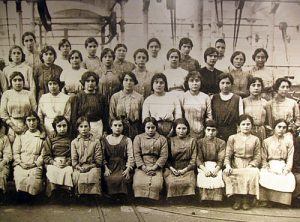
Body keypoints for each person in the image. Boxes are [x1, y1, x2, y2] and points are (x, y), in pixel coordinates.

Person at [223, 114, 261, 210]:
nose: (246, 126)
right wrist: (227, 166)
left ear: (252, 125)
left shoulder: (255, 139)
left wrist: (251, 165)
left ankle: (246, 200)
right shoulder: (232, 138)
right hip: (236, 163)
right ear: (239, 126)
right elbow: (228, 155)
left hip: (249, 164)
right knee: (228, 173)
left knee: (254, 173)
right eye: (243, 124)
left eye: (248, 124)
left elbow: (257, 156)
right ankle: (237, 199)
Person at [259, 119, 295, 206]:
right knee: (265, 175)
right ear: (274, 128)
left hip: (282, 164)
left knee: (288, 177)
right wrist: (266, 167)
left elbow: (290, 157)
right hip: (270, 164)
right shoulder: (266, 141)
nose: (281, 129)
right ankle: (267, 199)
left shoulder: (289, 141)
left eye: (284, 127)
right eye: (279, 127)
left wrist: (287, 169)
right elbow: (263, 157)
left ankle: (281, 202)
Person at [133, 117, 168, 200]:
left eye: (153, 127)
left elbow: (164, 156)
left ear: (156, 127)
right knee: (138, 184)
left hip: (156, 166)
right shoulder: (138, 138)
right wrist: (144, 168)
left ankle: (153, 200)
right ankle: (141, 199)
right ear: (144, 128)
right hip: (142, 166)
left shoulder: (162, 139)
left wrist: (154, 167)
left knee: (157, 185)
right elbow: (136, 154)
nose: (150, 130)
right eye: (148, 128)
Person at [12, 111, 44, 196]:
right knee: (20, 175)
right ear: (26, 122)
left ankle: (32, 197)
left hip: (35, 164)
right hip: (22, 163)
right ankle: (22, 196)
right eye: (29, 120)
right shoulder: (21, 136)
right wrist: (20, 163)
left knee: (33, 179)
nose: (32, 123)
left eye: (34, 120)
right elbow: (16, 152)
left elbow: (43, 154)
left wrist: (35, 164)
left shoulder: (42, 137)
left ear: (38, 121)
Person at [164, 118, 196, 198]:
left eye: (184, 128)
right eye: (179, 128)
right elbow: (166, 159)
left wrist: (184, 170)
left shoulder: (192, 141)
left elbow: (193, 159)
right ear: (175, 129)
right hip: (173, 168)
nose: (181, 131)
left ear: (187, 129)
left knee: (189, 182)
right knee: (171, 183)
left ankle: (186, 199)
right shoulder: (170, 140)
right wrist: (172, 168)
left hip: (187, 168)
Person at [1, 72, 37, 143]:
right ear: (11, 82)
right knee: (13, 143)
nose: (18, 83)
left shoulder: (29, 94)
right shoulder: (6, 94)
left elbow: (34, 110)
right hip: (12, 123)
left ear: (23, 82)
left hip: (28, 123)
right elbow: (3, 113)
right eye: (15, 80)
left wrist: (27, 126)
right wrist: (13, 127)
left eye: (20, 80)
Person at [142, 73, 182, 137]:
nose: (159, 85)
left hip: (172, 129)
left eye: (161, 83)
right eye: (156, 82)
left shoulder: (173, 97)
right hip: (154, 131)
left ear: (165, 84)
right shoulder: (148, 100)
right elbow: (145, 119)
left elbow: (178, 116)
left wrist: (173, 130)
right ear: (152, 84)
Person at [72, 71, 108, 139]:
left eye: (93, 81)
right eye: (87, 81)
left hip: (97, 126)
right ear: (83, 83)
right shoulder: (78, 97)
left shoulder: (101, 97)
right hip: (82, 127)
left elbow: (105, 116)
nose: (90, 83)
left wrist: (105, 130)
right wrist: (76, 131)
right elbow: (74, 116)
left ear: (96, 83)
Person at [102, 117, 134, 196]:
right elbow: (102, 156)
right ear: (111, 127)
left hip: (121, 166)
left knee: (122, 178)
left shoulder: (127, 140)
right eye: (115, 125)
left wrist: (128, 169)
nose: (117, 128)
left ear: (123, 127)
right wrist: (105, 168)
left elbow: (130, 156)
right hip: (110, 166)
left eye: (120, 125)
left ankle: (121, 197)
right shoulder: (105, 139)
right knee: (108, 179)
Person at [71, 116, 102, 195]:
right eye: (81, 127)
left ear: (89, 127)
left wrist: (90, 166)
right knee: (77, 176)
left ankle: (93, 196)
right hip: (79, 167)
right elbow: (74, 161)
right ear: (77, 128)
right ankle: (80, 196)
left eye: (86, 126)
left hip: (93, 166)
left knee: (93, 174)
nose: (84, 129)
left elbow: (99, 160)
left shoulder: (96, 141)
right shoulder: (74, 142)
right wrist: (79, 167)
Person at [43, 116, 73, 197]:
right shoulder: (50, 138)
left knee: (68, 171)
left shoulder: (70, 138)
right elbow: (46, 156)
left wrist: (67, 163)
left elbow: (73, 155)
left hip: (66, 162)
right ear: (55, 127)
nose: (62, 128)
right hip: (54, 162)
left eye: (64, 126)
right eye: (59, 126)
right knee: (52, 170)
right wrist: (54, 163)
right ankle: (54, 192)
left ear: (67, 126)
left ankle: (66, 192)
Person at [196, 119, 225, 201]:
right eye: (208, 130)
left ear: (217, 131)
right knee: (202, 177)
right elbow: (198, 159)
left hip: (216, 166)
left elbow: (221, 159)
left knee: (217, 177)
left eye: (213, 130)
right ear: (205, 130)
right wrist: (205, 170)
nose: (211, 132)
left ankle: (216, 199)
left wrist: (216, 169)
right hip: (203, 166)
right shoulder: (199, 142)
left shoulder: (221, 143)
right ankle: (204, 198)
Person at [110, 72, 144, 139]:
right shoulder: (115, 97)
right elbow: (111, 115)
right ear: (122, 82)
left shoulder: (139, 98)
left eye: (131, 80)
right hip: (119, 129)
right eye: (126, 80)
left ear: (134, 82)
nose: (128, 82)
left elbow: (141, 117)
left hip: (135, 130)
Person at [211, 73, 243, 141]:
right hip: (216, 131)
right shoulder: (213, 98)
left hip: (232, 131)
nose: (225, 86)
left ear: (231, 84)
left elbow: (241, 117)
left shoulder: (237, 98)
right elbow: (210, 115)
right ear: (218, 84)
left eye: (228, 83)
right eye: (222, 83)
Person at [181, 71, 212, 138]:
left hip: (202, 131)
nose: (194, 83)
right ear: (187, 83)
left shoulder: (206, 97)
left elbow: (209, 115)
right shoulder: (183, 97)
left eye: (197, 81)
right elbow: (180, 116)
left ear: (201, 82)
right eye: (191, 81)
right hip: (186, 132)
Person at [243, 77, 272, 141]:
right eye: (253, 85)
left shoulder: (265, 103)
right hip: (247, 131)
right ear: (249, 87)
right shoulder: (243, 102)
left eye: (259, 85)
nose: (256, 88)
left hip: (261, 132)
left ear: (261, 88)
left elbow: (269, 122)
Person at [0, 119, 12, 195]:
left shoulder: (4, 138)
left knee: (1, 175)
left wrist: (2, 163)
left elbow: (8, 154)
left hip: (1, 163)